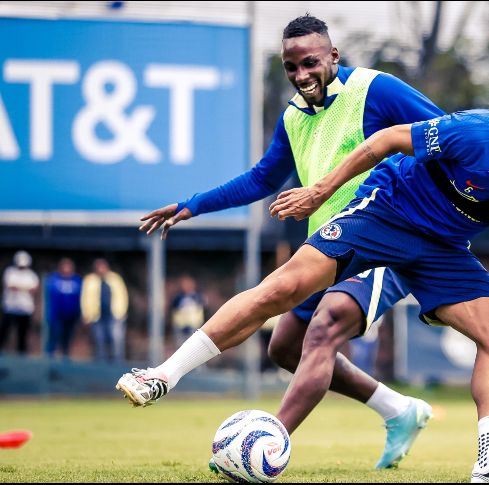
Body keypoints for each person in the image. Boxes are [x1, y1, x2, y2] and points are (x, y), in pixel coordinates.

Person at [119, 106, 489, 482]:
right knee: (284, 290)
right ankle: (163, 375)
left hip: (443, 249)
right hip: (388, 211)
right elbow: (386, 140)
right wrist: (319, 192)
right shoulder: (484, 132)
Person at [121, 15, 445, 470]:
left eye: (310, 63)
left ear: (334, 55)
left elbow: (449, 134)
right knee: (284, 348)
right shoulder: (294, 116)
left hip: (386, 241)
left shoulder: (377, 89)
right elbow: (262, 178)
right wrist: (192, 205)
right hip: (328, 246)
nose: (301, 76)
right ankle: (398, 409)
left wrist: (437, 206)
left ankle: (260, 446)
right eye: (291, 68)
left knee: (325, 327)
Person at [81, 258, 128, 363]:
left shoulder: (115, 279)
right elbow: (84, 298)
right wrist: (86, 315)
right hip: (96, 317)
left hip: (114, 316)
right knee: (99, 341)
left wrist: (122, 313)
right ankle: (101, 364)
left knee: (116, 341)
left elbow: (123, 296)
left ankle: (117, 363)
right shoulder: (90, 280)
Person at [0, 250, 39, 355]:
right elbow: (11, 286)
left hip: (25, 309)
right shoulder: (10, 272)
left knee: (22, 334)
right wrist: (25, 288)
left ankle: (21, 355)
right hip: (10, 307)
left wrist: (20, 287)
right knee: (4, 331)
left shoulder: (31, 275)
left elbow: (34, 289)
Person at [45, 257, 83, 359]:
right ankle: (50, 359)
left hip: (71, 316)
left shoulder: (77, 280)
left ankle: (65, 359)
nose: (67, 269)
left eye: (69, 267)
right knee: (54, 338)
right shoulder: (53, 279)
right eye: (65, 266)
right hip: (56, 316)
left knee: (67, 340)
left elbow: (80, 298)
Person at [170, 275, 206, 350]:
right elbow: (173, 310)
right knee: (180, 347)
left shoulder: (198, 296)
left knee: (195, 347)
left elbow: (202, 309)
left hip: (195, 326)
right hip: (181, 326)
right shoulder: (178, 297)